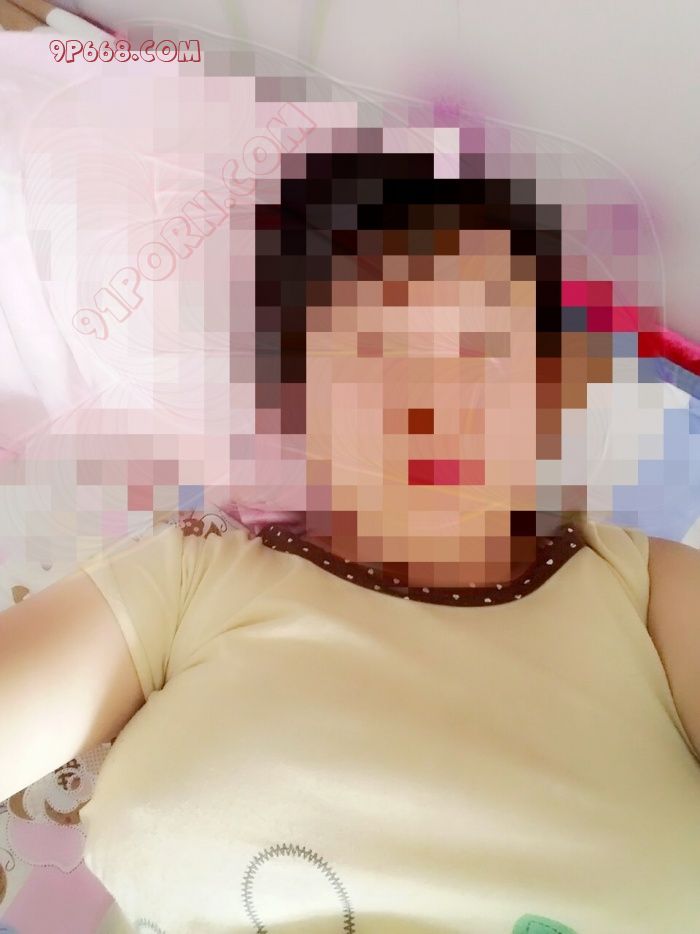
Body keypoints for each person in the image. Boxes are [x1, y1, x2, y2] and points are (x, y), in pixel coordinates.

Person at [1, 152, 699, 934]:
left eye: (487, 349)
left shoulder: (645, 591)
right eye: (380, 352)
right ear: (293, 393)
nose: (439, 401)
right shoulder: (186, 578)